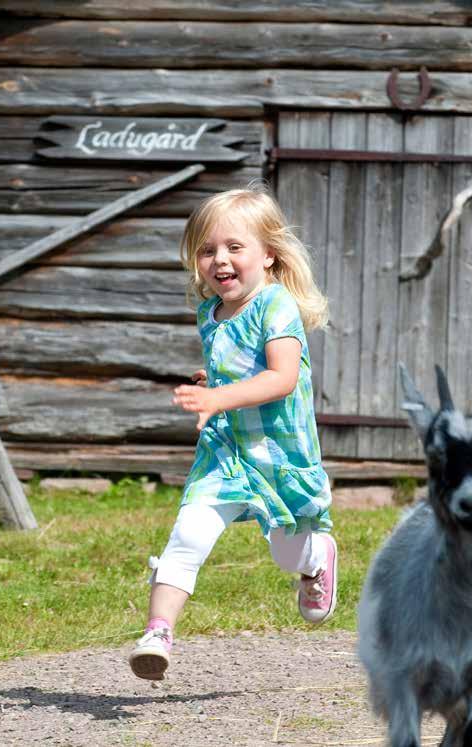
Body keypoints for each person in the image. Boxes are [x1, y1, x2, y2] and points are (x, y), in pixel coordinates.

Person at [129, 184, 337, 681]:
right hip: (226, 451)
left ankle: (314, 558)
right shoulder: (210, 314)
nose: (219, 259)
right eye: (206, 250)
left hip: (279, 455)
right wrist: (213, 383)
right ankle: (157, 633)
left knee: (285, 550)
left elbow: (281, 377)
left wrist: (219, 396)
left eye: (233, 247)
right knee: (188, 534)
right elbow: (235, 369)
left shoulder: (276, 306)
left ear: (268, 255)